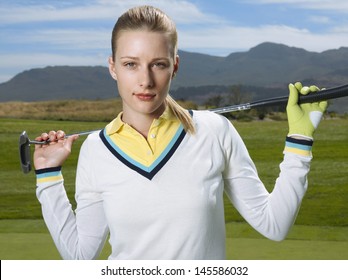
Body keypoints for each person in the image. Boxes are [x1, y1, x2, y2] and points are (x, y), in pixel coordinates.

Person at [33, 5, 328, 260]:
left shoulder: (215, 131)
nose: (145, 80)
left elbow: (274, 224)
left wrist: (299, 140)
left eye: (158, 64)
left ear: (174, 66)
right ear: (113, 67)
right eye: (130, 64)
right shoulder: (95, 149)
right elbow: (81, 256)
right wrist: (48, 176)